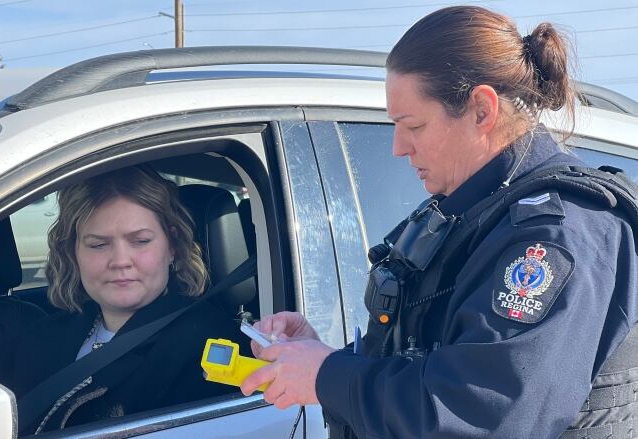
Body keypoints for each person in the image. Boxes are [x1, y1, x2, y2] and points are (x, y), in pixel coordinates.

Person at [241, 6, 638, 439]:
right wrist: (325, 357)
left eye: (412, 125)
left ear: (482, 110)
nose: (398, 147)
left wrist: (329, 376)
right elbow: (440, 359)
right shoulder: (476, 213)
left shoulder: (556, 235)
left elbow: (480, 413)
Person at [11, 165, 247, 434]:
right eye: (98, 245)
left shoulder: (209, 347)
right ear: (73, 252)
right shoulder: (39, 337)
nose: (120, 261)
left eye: (141, 241)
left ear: (171, 245)